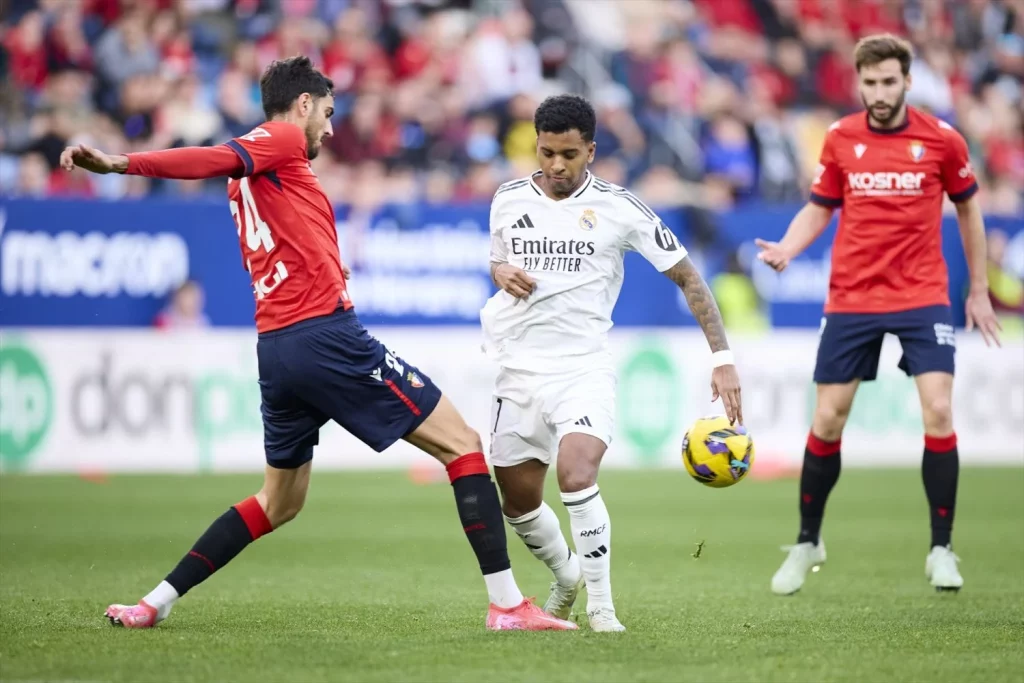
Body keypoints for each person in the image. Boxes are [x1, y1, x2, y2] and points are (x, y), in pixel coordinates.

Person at [60, 56, 576, 632]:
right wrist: (120, 163)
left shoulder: (253, 177)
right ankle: (507, 605)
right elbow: (214, 155)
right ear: (302, 105)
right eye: (327, 114)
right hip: (324, 337)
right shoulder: (278, 137)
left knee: (278, 502)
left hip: (277, 347)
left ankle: (153, 602)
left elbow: (252, 192)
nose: (331, 129)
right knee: (464, 446)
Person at [481, 94, 743, 632]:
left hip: (583, 369)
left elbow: (690, 277)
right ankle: (566, 577)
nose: (556, 165)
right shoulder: (507, 199)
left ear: (591, 152)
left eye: (569, 154)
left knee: (575, 473)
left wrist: (723, 358)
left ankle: (602, 608)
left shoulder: (621, 208)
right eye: (548, 152)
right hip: (518, 371)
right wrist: (499, 271)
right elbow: (500, 259)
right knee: (517, 502)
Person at [754, 34, 1002, 596]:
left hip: (922, 295)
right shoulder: (841, 138)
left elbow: (970, 214)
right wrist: (790, 248)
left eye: (889, 81)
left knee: (938, 410)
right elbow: (820, 207)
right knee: (828, 420)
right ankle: (808, 540)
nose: (880, 92)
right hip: (853, 297)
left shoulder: (941, 140)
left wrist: (979, 289)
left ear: (907, 81)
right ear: (858, 83)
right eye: (870, 83)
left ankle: (942, 548)